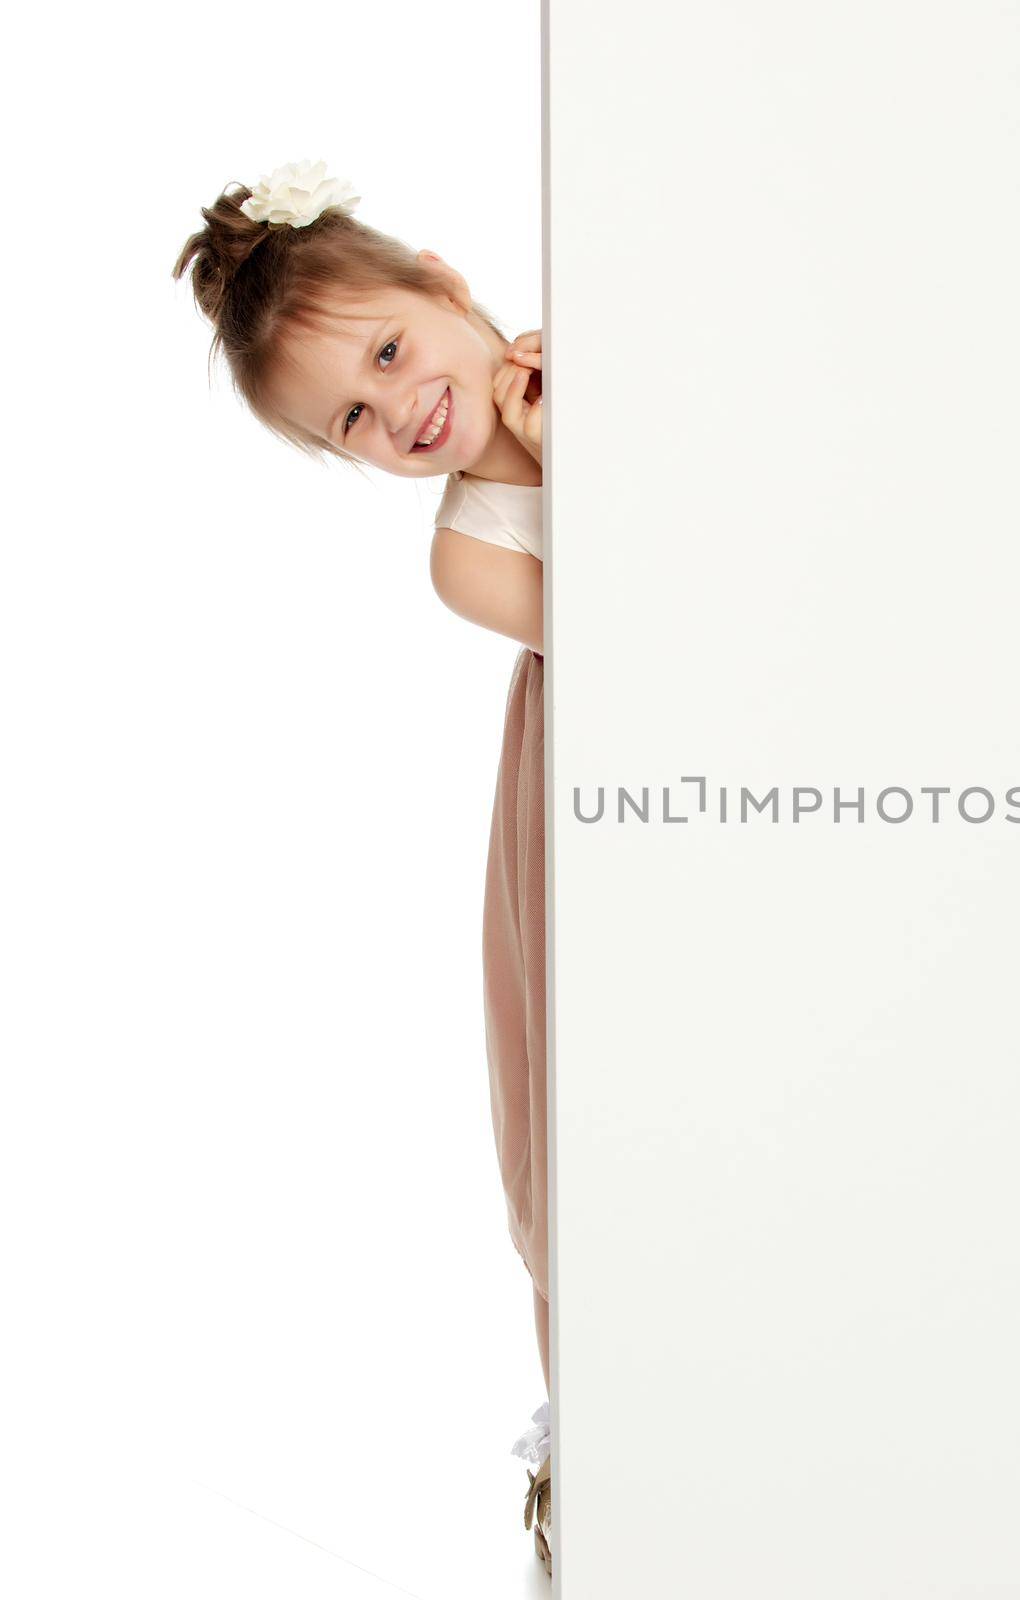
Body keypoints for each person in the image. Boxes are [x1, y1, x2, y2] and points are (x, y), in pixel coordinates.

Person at [172, 160, 557, 1578]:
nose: (399, 409)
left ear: (444, 285)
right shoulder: (467, 558)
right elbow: (656, 616)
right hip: (588, 818)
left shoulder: (617, 340)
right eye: (353, 414)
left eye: (389, 351)